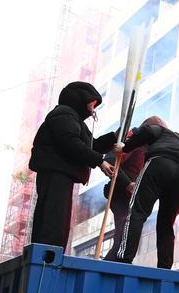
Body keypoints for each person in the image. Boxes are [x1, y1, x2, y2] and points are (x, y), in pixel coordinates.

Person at [28, 81, 115, 248]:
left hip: (61, 172)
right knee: (53, 218)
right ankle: (47, 255)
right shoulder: (64, 114)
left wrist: (115, 137)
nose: (93, 107)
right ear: (81, 99)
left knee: (57, 219)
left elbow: (92, 145)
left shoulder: (72, 119)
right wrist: (100, 161)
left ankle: (50, 253)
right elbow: (70, 142)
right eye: (92, 102)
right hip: (56, 172)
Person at [112, 117, 179, 268]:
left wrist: (125, 148)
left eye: (142, 149)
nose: (143, 151)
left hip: (159, 163)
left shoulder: (160, 131)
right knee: (166, 224)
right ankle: (165, 267)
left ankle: (124, 259)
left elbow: (148, 130)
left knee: (137, 212)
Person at [102, 134, 146, 262]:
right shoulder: (132, 139)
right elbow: (111, 161)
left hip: (131, 197)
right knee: (123, 237)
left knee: (126, 237)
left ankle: (116, 265)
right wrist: (127, 183)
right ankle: (111, 268)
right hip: (121, 195)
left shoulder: (146, 147)